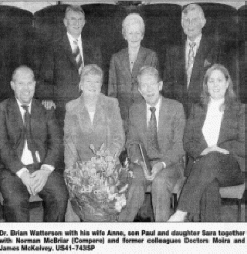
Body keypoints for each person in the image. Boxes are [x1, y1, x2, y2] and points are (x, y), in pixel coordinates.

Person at [168, 64, 245, 222]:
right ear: (206, 85)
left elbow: (244, 144)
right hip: (201, 167)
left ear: (227, 83)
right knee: (209, 185)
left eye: (219, 80)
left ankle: (181, 212)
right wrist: (204, 151)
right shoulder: (197, 109)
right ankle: (211, 234)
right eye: (211, 81)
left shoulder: (240, 110)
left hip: (231, 168)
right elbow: (187, 141)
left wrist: (219, 148)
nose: (215, 84)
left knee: (212, 158)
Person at [0, 66, 68, 222]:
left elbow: (56, 141)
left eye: (29, 83)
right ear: (12, 85)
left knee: (60, 196)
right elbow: (2, 147)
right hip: (12, 170)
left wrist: (45, 170)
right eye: (21, 83)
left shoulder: (45, 108)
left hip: (41, 167)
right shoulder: (2, 110)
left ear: (35, 84)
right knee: (15, 204)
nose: (26, 88)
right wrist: (22, 173)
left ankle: (54, 241)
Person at [118, 66, 185, 222]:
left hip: (170, 164)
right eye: (144, 86)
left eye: (152, 84)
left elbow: (179, 146)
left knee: (160, 183)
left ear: (160, 85)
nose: (148, 89)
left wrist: (161, 164)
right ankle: (119, 229)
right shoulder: (134, 110)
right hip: (143, 163)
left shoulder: (176, 108)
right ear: (140, 90)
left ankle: (162, 235)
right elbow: (132, 142)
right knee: (134, 181)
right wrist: (141, 163)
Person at [64, 64, 125, 221]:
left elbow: (118, 138)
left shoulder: (111, 103)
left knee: (106, 202)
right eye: (88, 81)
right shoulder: (71, 107)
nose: (92, 85)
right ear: (81, 84)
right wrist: (71, 172)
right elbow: (69, 143)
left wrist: (105, 164)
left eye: (97, 82)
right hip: (81, 167)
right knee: (76, 204)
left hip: (108, 166)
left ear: (101, 85)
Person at [37, 5, 102, 127]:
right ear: (65, 22)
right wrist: (48, 98)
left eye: (80, 19)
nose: (77, 23)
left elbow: (101, 79)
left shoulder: (93, 48)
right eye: (72, 19)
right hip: (63, 107)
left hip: (91, 106)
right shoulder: (53, 48)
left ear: (84, 23)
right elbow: (43, 83)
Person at [163, 3, 221, 117]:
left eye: (194, 20)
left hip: (204, 111)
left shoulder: (215, 49)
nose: (190, 24)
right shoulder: (172, 51)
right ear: (181, 23)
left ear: (203, 22)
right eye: (186, 20)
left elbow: (218, 84)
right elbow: (167, 84)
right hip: (177, 112)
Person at [108, 13, 158, 131]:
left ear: (142, 35)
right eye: (130, 33)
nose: (134, 37)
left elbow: (154, 88)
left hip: (143, 110)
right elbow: (112, 89)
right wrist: (114, 114)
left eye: (137, 33)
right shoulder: (116, 58)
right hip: (121, 113)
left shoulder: (151, 56)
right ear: (125, 35)